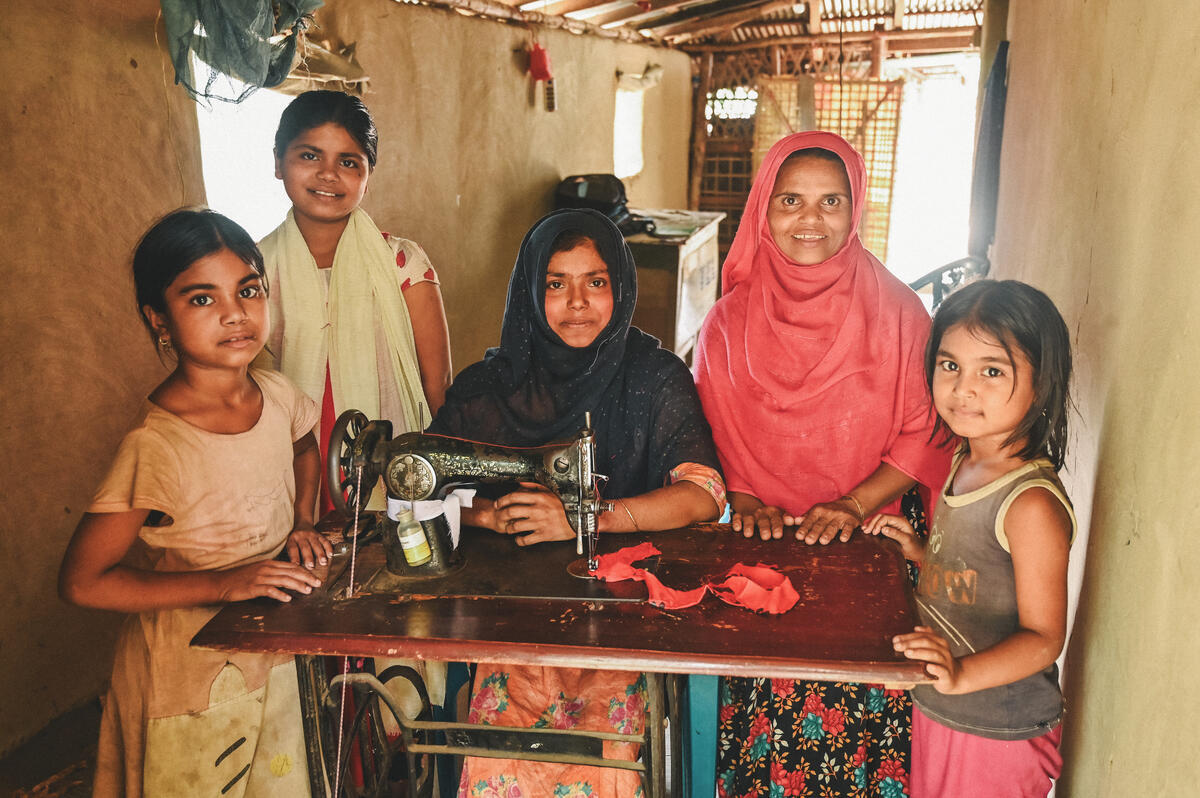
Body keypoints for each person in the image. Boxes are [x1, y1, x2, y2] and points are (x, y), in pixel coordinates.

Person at [427, 208, 726, 796]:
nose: (578, 303)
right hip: (512, 626)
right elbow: (420, 487)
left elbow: (705, 494)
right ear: (530, 290)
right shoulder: (490, 386)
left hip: (622, 621)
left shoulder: (653, 376)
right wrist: (491, 514)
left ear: (620, 285)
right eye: (556, 284)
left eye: (596, 282)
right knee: (503, 762)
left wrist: (588, 519)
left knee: (605, 766)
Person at [693, 131, 950, 796]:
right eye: (791, 201)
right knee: (764, 722)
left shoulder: (900, 314)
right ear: (763, 210)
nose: (811, 219)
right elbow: (708, 434)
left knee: (861, 732)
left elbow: (926, 436)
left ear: (856, 206)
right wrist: (743, 497)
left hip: (868, 554)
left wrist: (855, 504)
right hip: (760, 549)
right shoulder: (725, 324)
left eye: (831, 201)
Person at [58, 209, 331, 797]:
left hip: (271, 645)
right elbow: (83, 582)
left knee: (278, 778)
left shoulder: (275, 392)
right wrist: (225, 582)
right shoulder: (157, 444)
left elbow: (305, 444)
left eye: (248, 290)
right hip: (187, 668)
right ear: (158, 319)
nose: (235, 314)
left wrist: (303, 522)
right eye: (202, 299)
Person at [864, 280, 1074, 797]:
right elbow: (982, 569)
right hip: (944, 705)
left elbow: (1044, 638)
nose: (964, 388)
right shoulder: (966, 459)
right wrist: (920, 550)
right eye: (950, 365)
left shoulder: (1029, 504)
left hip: (997, 729)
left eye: (993, 371)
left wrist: (959, 674)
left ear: (1041, 380)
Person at [259, 89, 452, 512]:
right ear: (278, 162)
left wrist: (447, 484)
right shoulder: (252, 271)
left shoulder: (402, 264)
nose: (329, 175)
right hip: (289, 462)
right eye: (310, 156)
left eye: (348, 162)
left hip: (391, 462)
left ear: (368, 176)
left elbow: (437, 388)